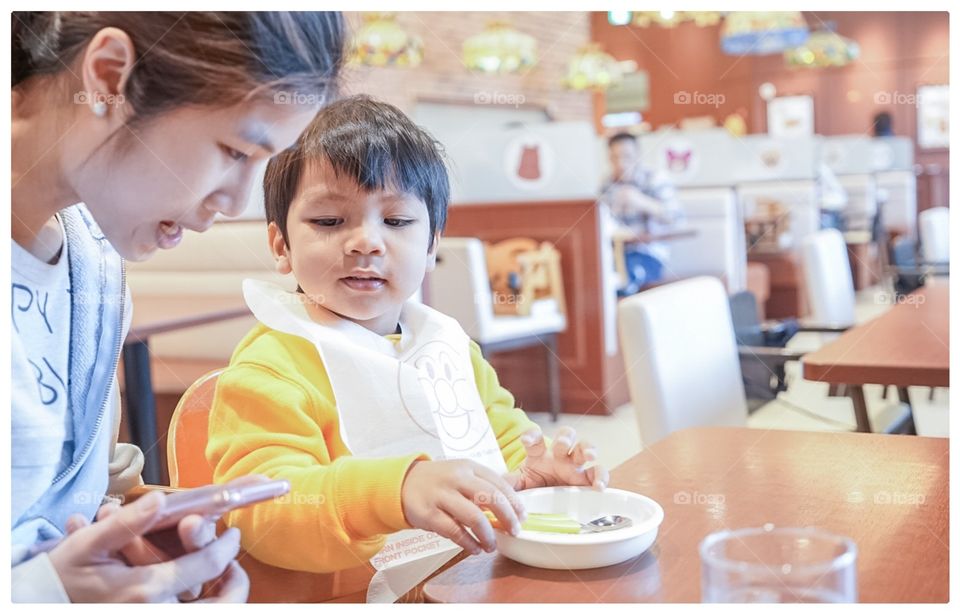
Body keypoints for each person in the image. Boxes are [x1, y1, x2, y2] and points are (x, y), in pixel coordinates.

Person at [205, 96, 610, 599]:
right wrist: (395, 491)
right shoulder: (272, 366)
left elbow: (499, 441)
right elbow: (258, 511)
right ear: (281, 246)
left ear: (432, 244)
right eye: (329, 222)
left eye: (396, 222)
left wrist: (533, 475)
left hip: (471, 583)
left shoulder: (447, 345)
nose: (366, 243)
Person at [11, 11, 345, 602]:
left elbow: (69, 502)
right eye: (235, 150)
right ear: (111, 77)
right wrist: (48, 592)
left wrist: (137, 539)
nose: (236, 200)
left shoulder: (93, 260)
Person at [600, 132, 682, 295]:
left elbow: (677, 219)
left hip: (650, 255)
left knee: (625, 276)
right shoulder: (606, 184)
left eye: (627, 157)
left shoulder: (655, 179)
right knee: (597, 274)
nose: (621, 163)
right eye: (615, 158)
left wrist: (642, 202)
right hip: (614, 254)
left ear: (638, 156)